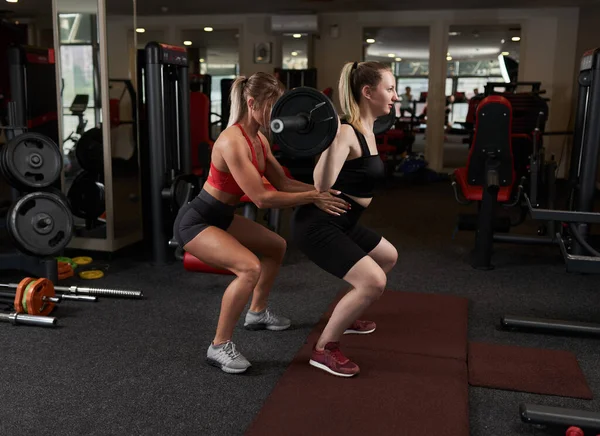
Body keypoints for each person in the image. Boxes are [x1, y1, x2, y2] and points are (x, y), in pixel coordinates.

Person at [173, 72, 351, 374]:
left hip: (222, 217)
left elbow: (282, 181)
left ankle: (257, 312)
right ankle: (219, 345)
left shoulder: (259, 140)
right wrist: (311, 198)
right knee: (248, 268)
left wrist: (320, 192)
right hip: (198, 221)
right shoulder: (232, 141)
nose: (276, 113)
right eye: (271, 105)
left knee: (276, 246)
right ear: (252, 103)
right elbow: (261, 198)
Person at [291, 61, 399, 377]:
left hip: (346, 222)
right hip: (318, 225)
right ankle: (324, 349)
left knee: (388, 257)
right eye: (389, 89)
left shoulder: (369, 129)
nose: (394, 97)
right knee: (374, 281)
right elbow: (321, 184)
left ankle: (348, 313)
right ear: (368, 92)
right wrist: (329, 139)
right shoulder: (345, 132)